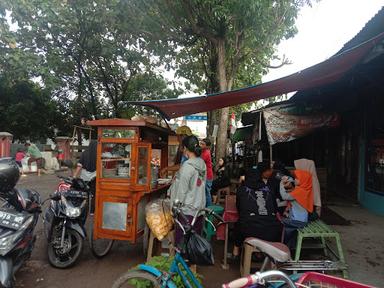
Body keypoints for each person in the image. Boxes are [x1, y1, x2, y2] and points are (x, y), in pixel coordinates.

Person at [232, 161, 283, 259]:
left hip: (249, 231)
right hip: (272, 231)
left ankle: (236, 250)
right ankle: (260, 253)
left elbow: (240, 210)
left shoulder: (242, 190)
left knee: (240, 223)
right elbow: (275, 209)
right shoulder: (268, 189)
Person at [168, 135, 206, 246]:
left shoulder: (187, 167)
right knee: (194, 245)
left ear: (185, 148)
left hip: (187, 212)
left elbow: (181, 192)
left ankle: (182, 263)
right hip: (198, 210)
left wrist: (174, 209)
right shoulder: (201, 164)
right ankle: (191, 264)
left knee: (182, 245)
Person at [279, 169, 314, 247]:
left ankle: (283, 247)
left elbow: (284, 196)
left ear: (303, 180)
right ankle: (290, 246)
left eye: (297, 178)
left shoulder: (300, 191)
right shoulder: (305, 189)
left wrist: (281, 183)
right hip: (300, 220)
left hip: (298, 222)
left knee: (278, 223)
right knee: (286, 227)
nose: (295, 179)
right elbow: (290, 193)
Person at [73, 140, 97, 213]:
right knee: (94, 194)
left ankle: (84, 210)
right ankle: (92, 211)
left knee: (84, 194)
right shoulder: (98, 154)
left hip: (84, 177)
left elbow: (79, 166)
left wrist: (74, 176)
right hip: (95, 176)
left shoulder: (84, 153)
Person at [199, 138, 213, 207]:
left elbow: (199, 162)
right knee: (206, 193)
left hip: (208, 176)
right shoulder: (203, 151)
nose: (200, 145)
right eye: (200, 143)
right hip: (206, 175)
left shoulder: (206, 153)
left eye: (202, 144)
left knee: (207, 193)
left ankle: (209, 209)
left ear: (207, 146)